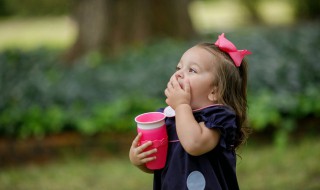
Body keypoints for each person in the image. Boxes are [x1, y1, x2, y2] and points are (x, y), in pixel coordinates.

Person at [129, 33, 251, 190]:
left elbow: (194, 144)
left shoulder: (218, 118)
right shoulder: (167, 118)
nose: (179, 73)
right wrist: (139, 160)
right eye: (179, 67)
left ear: (215, 91)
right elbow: (158, 166)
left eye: (192, 70)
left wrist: (181, 105)